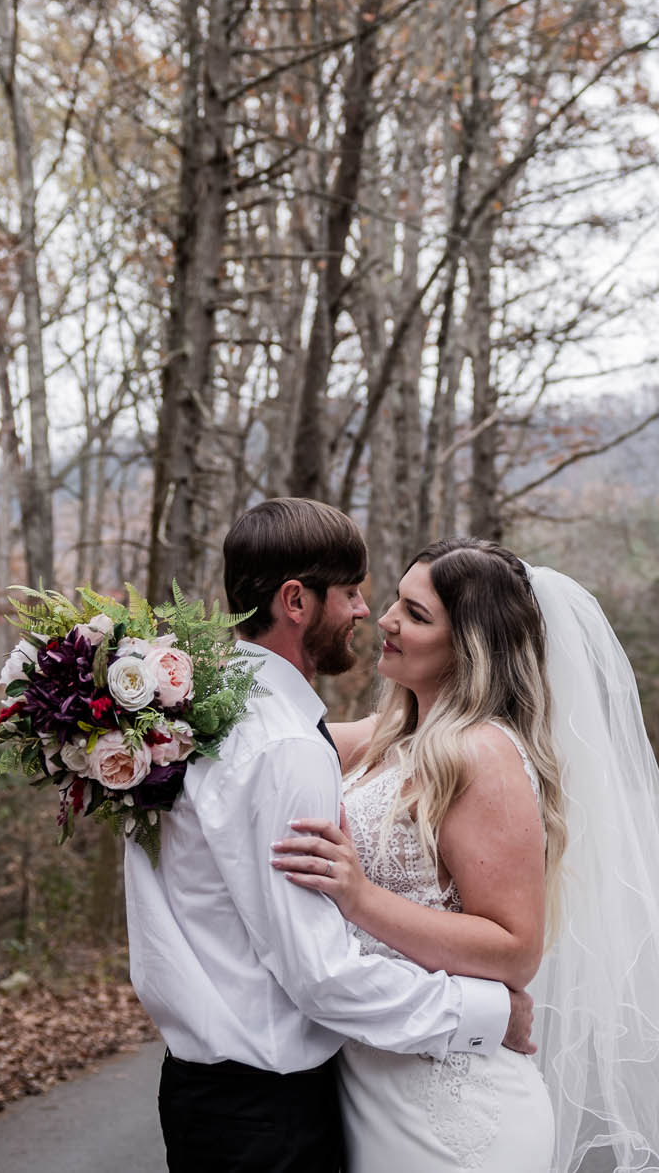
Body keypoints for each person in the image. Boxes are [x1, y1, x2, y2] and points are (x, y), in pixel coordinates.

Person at [273, 538, 659, 1173]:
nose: (388, 621)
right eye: (397, 601)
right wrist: (143, 693)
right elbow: (275, 740)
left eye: (417, 615)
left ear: (471, 648)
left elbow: (515, 947)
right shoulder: (394, 736)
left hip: (452, 1110)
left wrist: (360, 898)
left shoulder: (484, 756)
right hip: (371, 1081)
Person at [124, 499, 536, 1173]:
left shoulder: (186, 717)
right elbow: (321, 975)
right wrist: (487, 1012)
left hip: (220, 1093)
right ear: (296, 600)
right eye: (351, 592)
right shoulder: (283, 746)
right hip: (268, 1113)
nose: (367, 614)